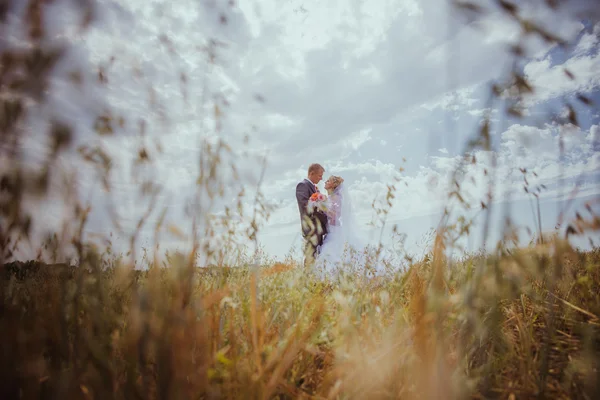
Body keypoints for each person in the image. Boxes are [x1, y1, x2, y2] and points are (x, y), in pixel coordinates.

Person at [315, 175, 383, 278]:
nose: (325, 182)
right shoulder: (329, 197)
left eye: (328, 181)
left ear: (333, 185)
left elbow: (335, 214)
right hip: (329, 230)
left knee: (331, 253)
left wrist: (321, 206)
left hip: (334, 231)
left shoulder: (336, 197)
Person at [295, 163, 329, 267]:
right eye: (319, 175)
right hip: (311, 228)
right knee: (311, 257)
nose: (321, 178)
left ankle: (313, 280)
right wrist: (318, 204)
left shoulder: (314, 188)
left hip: (317, 228)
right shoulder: (303, 185)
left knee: (316, 257)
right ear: (312, 173)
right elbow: (305, 206)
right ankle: (306, 280)